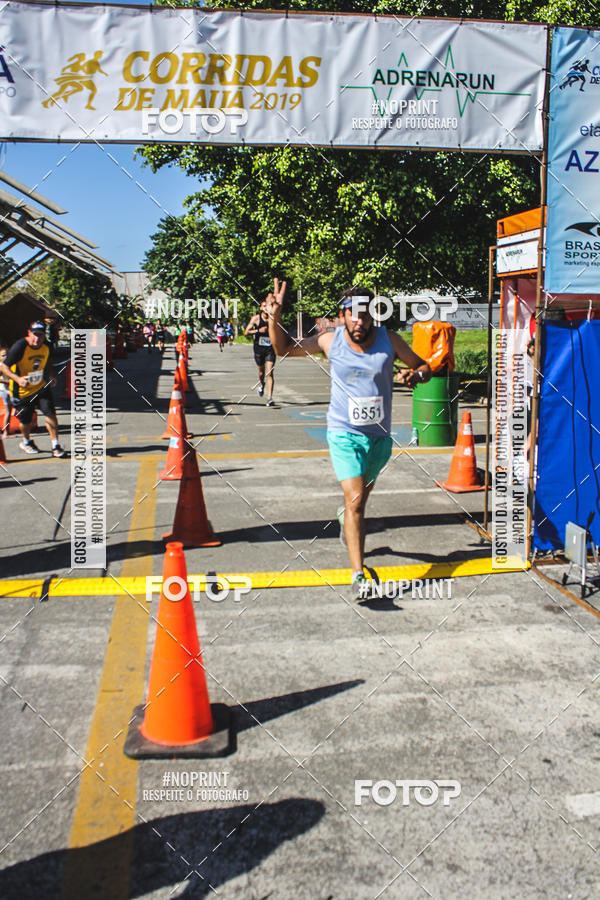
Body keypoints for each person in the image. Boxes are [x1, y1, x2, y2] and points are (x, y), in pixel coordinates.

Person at [267, 279, 431, 598]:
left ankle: (347, 520)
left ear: (374, 316)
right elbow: (282, 349)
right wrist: (275, 317)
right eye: (353, 315)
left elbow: (423, 367)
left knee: (358, 504)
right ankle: (359, 575)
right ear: (342, 315)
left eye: (366, 315)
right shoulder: (329, 341)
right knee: (355, 500)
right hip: (344, 433)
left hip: (380, 439)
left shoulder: (390, 340)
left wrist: (417, 375)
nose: (359, 321)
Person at [0, 321, 67, 457]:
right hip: (21, 391)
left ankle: (56, 446)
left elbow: (48, 361)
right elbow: (3, 367)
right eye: (35, 335)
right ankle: (26, 441)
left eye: (41, 336)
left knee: (51, 414)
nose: (37, 339)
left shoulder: (47, 346)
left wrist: (51, 376)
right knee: (25, 421)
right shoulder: (20, 346)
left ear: (44, 336)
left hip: (40, 388)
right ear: (29, 333)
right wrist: (17, 379)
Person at [245, 299, 276, 406]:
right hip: (259, 349)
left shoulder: (273, 319)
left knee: (270, 373)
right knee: (261, 373)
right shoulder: (256, 319)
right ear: (261, 308)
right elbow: (246, 331)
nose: (266, 308)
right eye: (264, 306)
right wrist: (258, 331)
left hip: (270, 349)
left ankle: (269, 398)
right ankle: (262, 385)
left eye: (267, 306)